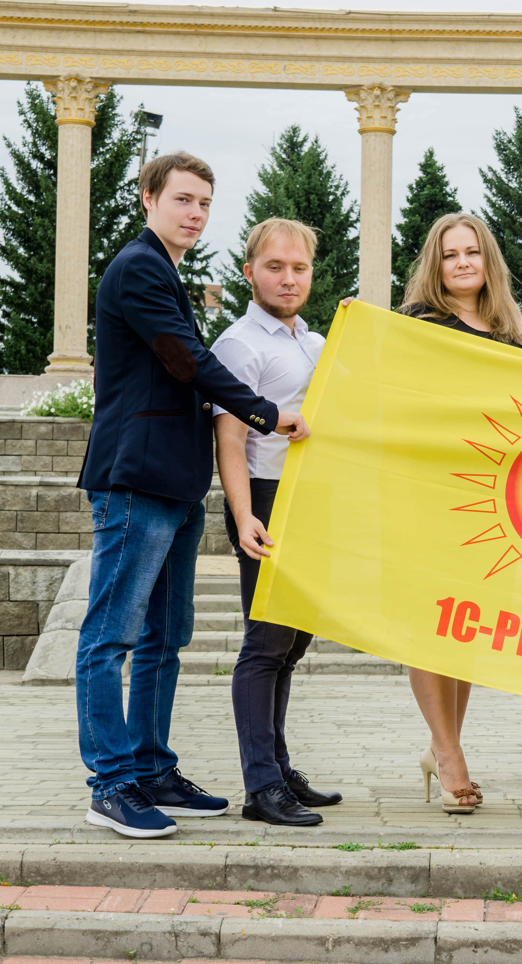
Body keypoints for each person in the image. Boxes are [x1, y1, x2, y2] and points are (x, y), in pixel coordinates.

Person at [76, 153, 308, 839]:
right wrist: (264, 412)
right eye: (182, 199)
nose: (195, 213)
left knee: (164, 638)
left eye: (204, 202)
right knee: (110, 637)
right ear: (148, 198)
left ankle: (152, 769)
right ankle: (111, 785)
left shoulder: (166, 271)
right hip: (135, 478)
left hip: (176, 483)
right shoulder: (139, 268)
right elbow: (186, 359)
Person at [396, 212, 522, 814]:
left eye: (472, 252)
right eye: (450, 254)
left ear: (488, 262)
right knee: (429, 627)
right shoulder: (416, 324)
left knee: (466, 629)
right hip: (430, 495)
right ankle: (451, 756)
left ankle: (441, 746)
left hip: (489, 504)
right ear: (436, 264)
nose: (462, 263)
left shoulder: (512, 335)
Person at [210, 218, 344, 827]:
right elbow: (230, 440)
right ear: (249, 273)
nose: (289, 279)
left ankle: (280, 769)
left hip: (314, 500)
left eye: (299, 268)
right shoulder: (240, 345)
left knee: (292, 645)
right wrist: (244, 517)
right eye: (275, 267)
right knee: (264, 645)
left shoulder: (313, 342)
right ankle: (260, 788)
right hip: (267, 499)